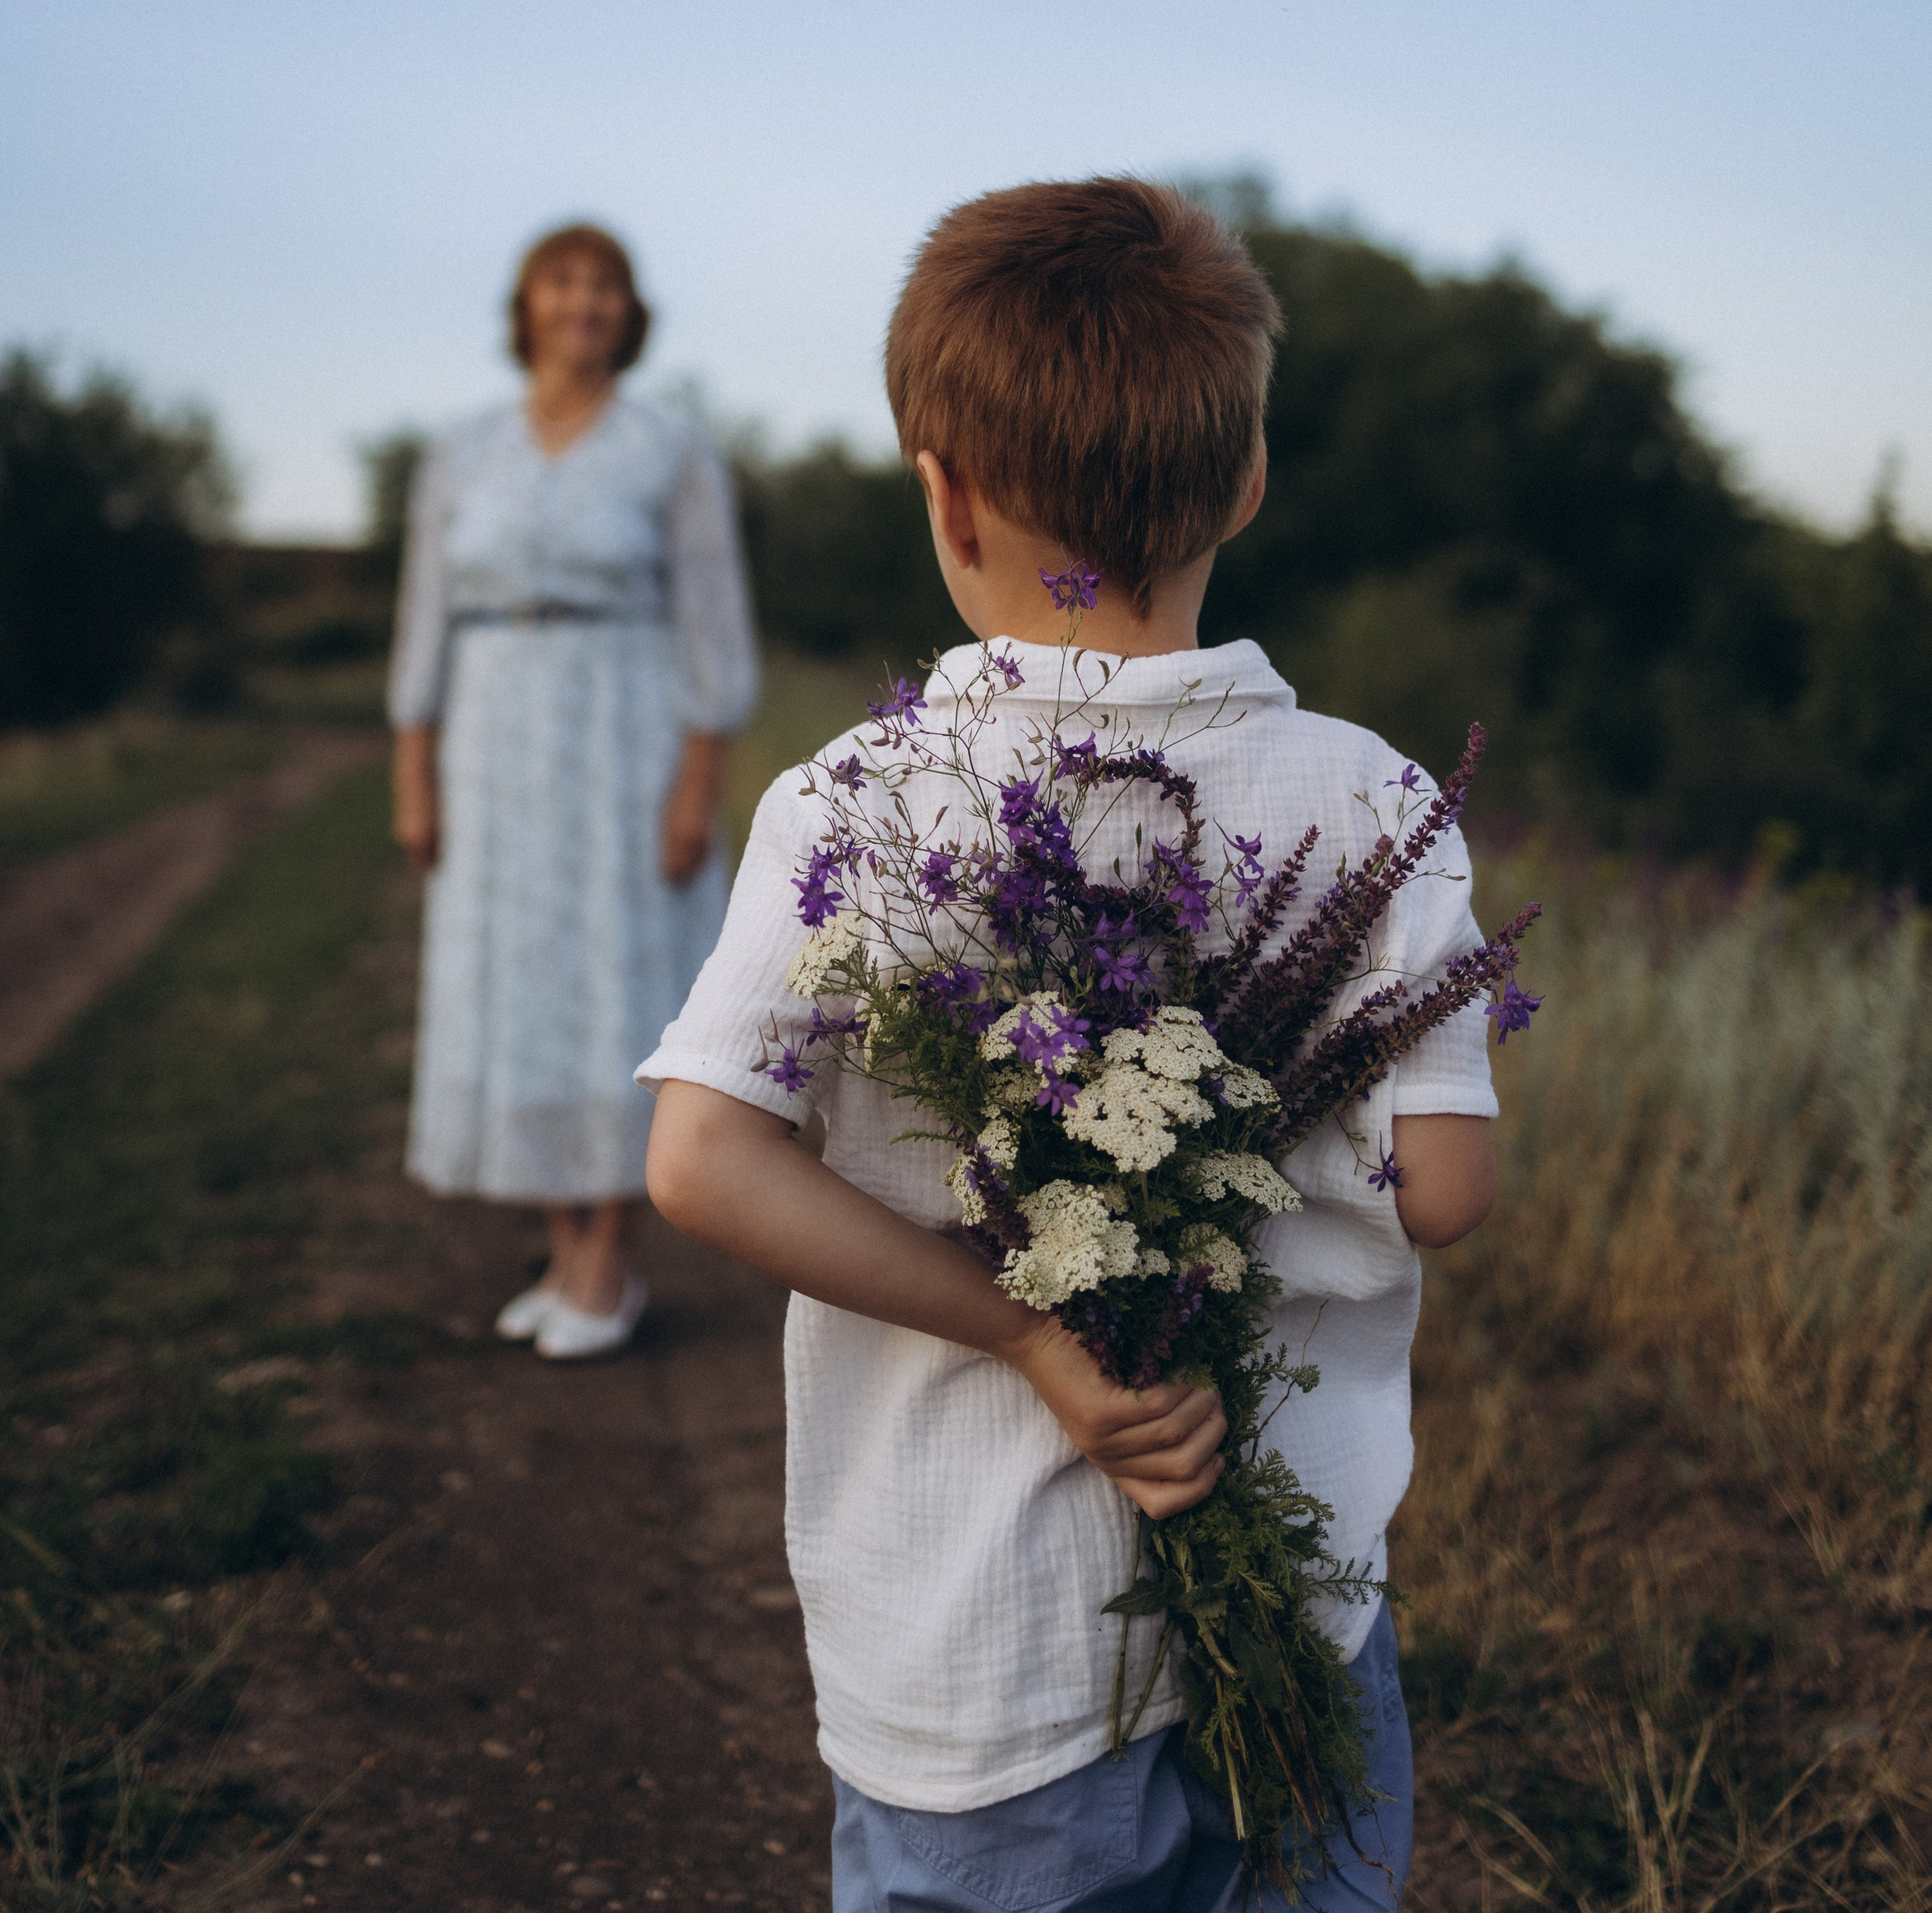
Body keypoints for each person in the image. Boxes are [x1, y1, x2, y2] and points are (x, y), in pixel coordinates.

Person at [640, 178, 1501, 1912]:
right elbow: (1445, 1196)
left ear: (938, 487)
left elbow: (699, 1157)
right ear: (1247, 478)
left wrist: (1031, 1338)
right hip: (1300, 1608)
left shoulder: (857, 806)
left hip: (982, 1652)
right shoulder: (1380, 802)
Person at [389, 221, 758, 1361]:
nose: (583, 303)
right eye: (563, 283)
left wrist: (695, 788)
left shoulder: (670, 450)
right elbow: (422, 624)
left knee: (616, 983)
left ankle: (611, 1260)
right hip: (494, 753)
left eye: (604, 286)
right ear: (528, 304)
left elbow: (714, 631)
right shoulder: (460, 452)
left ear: (627, 311)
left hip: (621, 745)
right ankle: (563, 1244)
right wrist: (415, 772)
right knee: (521, 989)